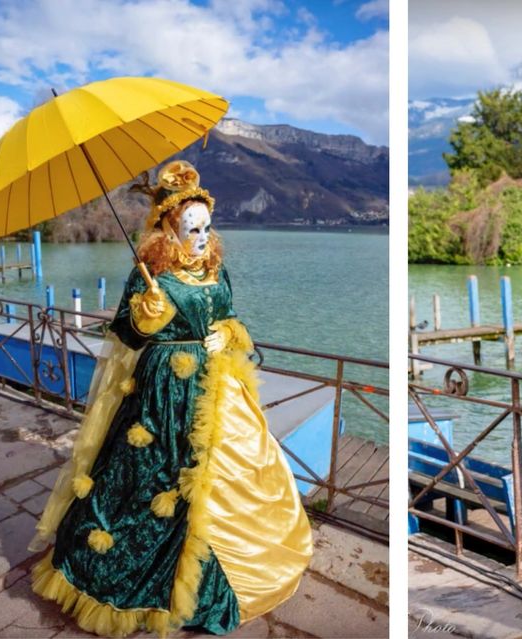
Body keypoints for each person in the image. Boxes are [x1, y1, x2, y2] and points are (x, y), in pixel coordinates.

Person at [28, 161, 313, 637]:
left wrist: (226, 332)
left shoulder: (215, 271)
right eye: (190, 228)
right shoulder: (149, 275)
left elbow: (233, 318)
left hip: (216, 390)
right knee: (147, 478)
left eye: (206, 226)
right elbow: (125, 333)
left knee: (231, 472)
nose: (201, 236)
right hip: (160, 392)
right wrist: (145, 316)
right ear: (167, 228)